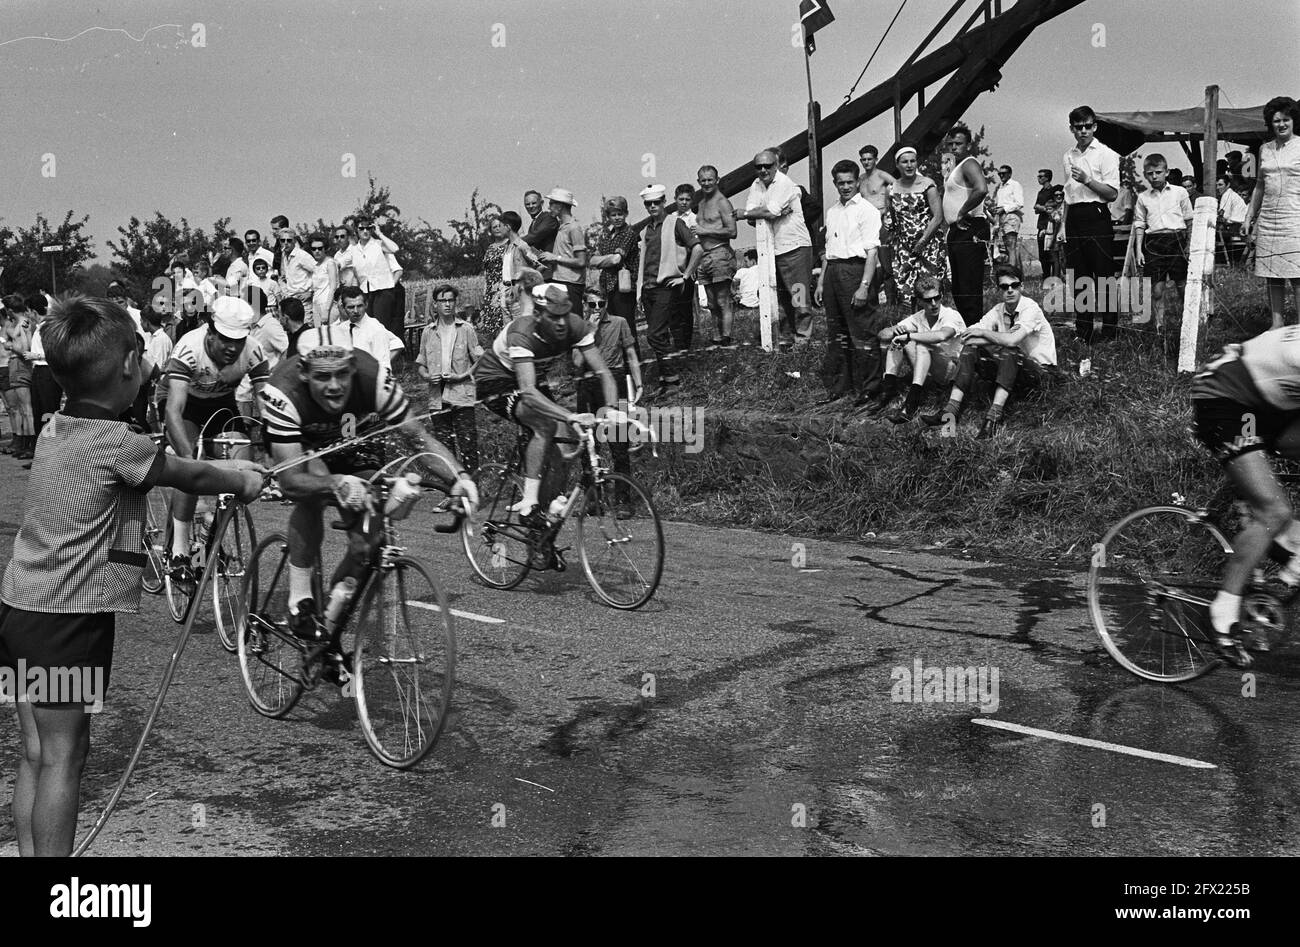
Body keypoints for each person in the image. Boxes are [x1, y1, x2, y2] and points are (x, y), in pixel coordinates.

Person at [0, 296, 262, 857]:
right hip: (66, 623)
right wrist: (241, 480)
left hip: (19, 610)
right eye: (140, 357)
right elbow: (185, 474)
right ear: (127, 366)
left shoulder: (57, 425)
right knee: (66, 756)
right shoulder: (119, 443)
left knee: (37, 753)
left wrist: (233, 469)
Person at [259, 335, 476, 640]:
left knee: (366, 542)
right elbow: (291, 482)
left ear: (352, 368)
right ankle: (299, 601)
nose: (334, 385)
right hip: (302, 442)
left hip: (351, 437)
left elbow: (419, 438)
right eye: (322, 376)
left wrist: (459, 479)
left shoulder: (373, 379)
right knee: (310, 498)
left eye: (341, 374)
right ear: (305, 373)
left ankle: (328, 633)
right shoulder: (282, 390)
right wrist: (335, 483)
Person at [472, 283, 619, 520]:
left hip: (533, 375)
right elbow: (528, 392)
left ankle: (550, 500)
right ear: (538, 315)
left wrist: (612, 408)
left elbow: (604, 373)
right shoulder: (522, 332)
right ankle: (530, 501)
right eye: (553, 317)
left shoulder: (575, 326)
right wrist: (570, 415)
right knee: (545, 425)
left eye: (564, 315)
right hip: (494, 379)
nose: (561, 323)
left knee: (568, 437)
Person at [162, 296, 270, 582]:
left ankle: (211, 537)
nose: (232, 348)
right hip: (185, 406)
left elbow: (265, 403)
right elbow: (174, 410)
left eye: (239, 341)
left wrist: (273, 437)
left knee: (242, 464)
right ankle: (180, 552)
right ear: (210, 331)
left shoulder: (254, 350)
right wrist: (189, 461)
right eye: (225, 340)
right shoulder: (189, 346)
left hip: (221, 404)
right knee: (191, 467)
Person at [923, 264, 1058, 438]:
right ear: (999, 289)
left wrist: (984, 333)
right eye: (1004, 287)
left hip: (1040, 372)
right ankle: (950, 411)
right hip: (1011, 370)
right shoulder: (998, 310)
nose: (1009, 290)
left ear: (1021, 287)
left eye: (1014, 285)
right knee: (971, 347)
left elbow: (1012, 340)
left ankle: (993, 417)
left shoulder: (1030, 308)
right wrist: (984, 336)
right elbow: (967, 336)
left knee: (1009, 349)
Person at [815, 159, 881, 406]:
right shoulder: (832, 211)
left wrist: (864, 286)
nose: (845, 187)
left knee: (863, 332)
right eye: (840, 183)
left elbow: (872, 253)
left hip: (857, 271)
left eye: (850, 182)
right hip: (833, 272)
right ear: (835, 183)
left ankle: (870, 388)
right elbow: (829, 252)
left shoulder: (867, 211)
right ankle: (842, 386)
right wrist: (822, 282)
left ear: (858, 182)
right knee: (838, 333)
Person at [736, 148, 815, 350]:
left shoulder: (785, 184)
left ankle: (803, 338)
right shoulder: (756, 185)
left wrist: (747, 213)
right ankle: (789, 334)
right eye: (758, 167)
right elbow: (755, 219)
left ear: (776, 165)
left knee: (799, 295)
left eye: (768, 166)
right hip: (772, 250)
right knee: (783, 296)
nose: (763, 170)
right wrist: (762, 214)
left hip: (795, 247)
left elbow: (766, 212)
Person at [573, 287, 642, 495]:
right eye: (592, 304)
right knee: (589, 442)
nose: (597, 309)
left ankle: (623, 497)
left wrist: (638, 384)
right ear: (585, 305)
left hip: (615, 378)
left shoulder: (619, 322)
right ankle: (593, 497)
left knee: (619, 440)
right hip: (588, 382)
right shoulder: (579, 327)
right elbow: (576, 361)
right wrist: (590, 333)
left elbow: (630, 353)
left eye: (601, 304)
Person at [870, 275, 966, 422]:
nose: (934, 304)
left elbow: (942, 335)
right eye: (928, 300)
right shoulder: (919, 316)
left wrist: (909, 336)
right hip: (930, 369)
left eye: (937, 298)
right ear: (920, 301)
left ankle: (912, 401)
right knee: (898, 340)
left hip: (952, 371)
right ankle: (888, 389)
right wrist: (895, 330)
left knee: (921, 343)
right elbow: (883, 335)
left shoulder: (951, 315)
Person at [1063, 105, 1121, 343]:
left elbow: (1112, 194)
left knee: (1103, 276)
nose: (1084, 131)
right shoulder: (1068, 156)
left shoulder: (1106, 153)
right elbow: (1068, 194)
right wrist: (1061, 226)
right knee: (1079, 277)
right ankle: (1083, 330)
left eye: (1088, 126)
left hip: (1096, 214)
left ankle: (1109, 332)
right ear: (1072, 129)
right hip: (1074, 217)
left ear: (1095, 126)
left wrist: (1088, 180)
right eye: (1079, 127)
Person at [637, 184, 701, 387]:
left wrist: (686, 276)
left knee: (654, 334)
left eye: (657, 202)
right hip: (648, 288)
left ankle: (673, 379)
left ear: (664, 202)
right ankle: (666, 379)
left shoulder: (675, 222)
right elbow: (644, 261)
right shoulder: (647, 229)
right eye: (649, 203)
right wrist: (640, 290)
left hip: (666, 286)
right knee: (660, 335)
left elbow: (698, 249)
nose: (653, 206)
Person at [417, 284, 483, 471]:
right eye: (442, 301)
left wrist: (462, 375)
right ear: (435, 305)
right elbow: (421, 364)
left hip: (462, 394)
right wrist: (428, 376)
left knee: (468, 444)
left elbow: (480, 360)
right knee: (445, 447)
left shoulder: (466, 329)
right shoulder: (428, 332)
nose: (447, 304)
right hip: (437, 398)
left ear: (455, 303)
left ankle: (473, 491)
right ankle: (453, 492)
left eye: (450, 300)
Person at [1248, 96, 1300, 327]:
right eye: (1276, 120)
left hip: (1294, 216)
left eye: (1285, 120)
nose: (1281, 125)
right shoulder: (1265, 149)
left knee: (1297, 274)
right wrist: (1251, 215)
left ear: (1293, 121)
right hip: (1269, 218)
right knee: (1272, 273)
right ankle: (1276, 324)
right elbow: (1260, 184)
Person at [1133, 154, 1193, 331]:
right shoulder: (1143, 197)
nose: (1154, 176)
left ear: (1166, 172)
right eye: (1150, 173)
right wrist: (1139, 250)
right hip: (1154, 243)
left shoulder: (1179, 192)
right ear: (1145, 174)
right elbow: (1139, 223)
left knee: (1182, 285)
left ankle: (1187, 323)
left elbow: (1189, 220)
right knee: (1157, 289)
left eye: (1158, 172)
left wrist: (1189, 246)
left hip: (1176, 241)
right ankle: (1160, 325)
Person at [942, 124, 990, 326]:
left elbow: (982, 189)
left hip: (969, 227)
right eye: (951, 144)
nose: (954, 148)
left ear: (968, 145)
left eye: (959, 144)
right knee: (959, 287)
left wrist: (962, 211)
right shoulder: (956, 167)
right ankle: (967, 330)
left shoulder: (970, 163)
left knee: (969, 286)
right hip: (956, 230)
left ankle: (976, 332)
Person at [887, 144, 947, 302]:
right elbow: (893, 219)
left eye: (912, 161)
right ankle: (911, 324)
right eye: (905, 162)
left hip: (928, 245)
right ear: (897, 165)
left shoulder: (927, 184)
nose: (909, 165)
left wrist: (922, 241)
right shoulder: (891, 189)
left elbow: (938, 216)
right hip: (905, 248)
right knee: (906, 290)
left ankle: (934, 325)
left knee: (931, 289)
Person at [692, 166, 739, 346]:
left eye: (710, 179)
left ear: (717, 180)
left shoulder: (722, 202)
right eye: (703, 180)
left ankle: (726, 338)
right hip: (704, 257)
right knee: (711, 303)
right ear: (699, 182)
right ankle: (716, 337)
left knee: (722, 300)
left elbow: (732, 231)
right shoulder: (702, 204)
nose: (706, 183)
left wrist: (705, 230)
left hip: (720, 253)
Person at [338, 215, 403, 338]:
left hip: (382, 291)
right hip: (366, 292)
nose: (365, 231)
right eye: (361, 228)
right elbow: (339, 263)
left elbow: (395, 248)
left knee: (381, 327)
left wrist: (380, 233)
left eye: (368, 228)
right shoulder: (354, 250)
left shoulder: (378, 244)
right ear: (356, 230)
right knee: (365, 327)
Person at [483, 211, 542, 339]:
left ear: (508, 227)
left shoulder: (522, 246)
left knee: (520, 331)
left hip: (517, 294)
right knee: (508, 333)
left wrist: (524, 287)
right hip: (506, 292)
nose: (499, 228)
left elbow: (539, 267)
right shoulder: (508, 246)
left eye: (502, 225)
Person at [588, 196, 640, 326]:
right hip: (607, 287)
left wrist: (603, 260)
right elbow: (592, 260)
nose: (617, 218)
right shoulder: (606, 236)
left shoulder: (629, 233)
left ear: (626, 214)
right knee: (612, 325)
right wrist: (608, 259)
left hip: (623, 286)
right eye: (613, 215)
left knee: (626, 325)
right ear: (608, 217)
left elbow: (616, 260)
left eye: (620, 214)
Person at [535, 188, 587, 313]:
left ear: (560, 206)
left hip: (571, 284)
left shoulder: (574, 228)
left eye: (552, 203)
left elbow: (581, 261)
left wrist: (555, 258)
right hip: (560, 282)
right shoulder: (562, 227)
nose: (549, 207)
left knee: (573, 325)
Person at [1, 296, 35, 458]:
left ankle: (29, 444)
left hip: (21, 366)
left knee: (26, 408)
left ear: (10, 310)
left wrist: (10, 346)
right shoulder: (19, 323)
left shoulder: (23, 322)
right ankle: (24, 443)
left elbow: (25, 349)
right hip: (15, 366)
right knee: (21, 409)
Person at [993, 165, 1025, 270]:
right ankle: (1014, 271)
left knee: (1011, 246)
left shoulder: (1015, 185)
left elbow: (1020, 203)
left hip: (1011, 216)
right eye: (999, 174)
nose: (1001, 175)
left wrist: (1004, 208)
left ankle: (1013, 274)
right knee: (1006, 247)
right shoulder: (1000, 187)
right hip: (1001, 218)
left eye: (1004, 173)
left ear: (1009, 174)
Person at [1216, 174, 1249, 266]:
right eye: (1216, 185)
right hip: (1236, 225)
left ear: (1228, 185)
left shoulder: (1227, 195)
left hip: (1238, 227)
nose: (1218, 187)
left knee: (1212, 234)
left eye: (1220, 185)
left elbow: (1223, 217)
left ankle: (1222, 262)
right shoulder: (1228, 194)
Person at [307, 233, 339, 326]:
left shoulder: (330, 263)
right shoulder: (315, 266)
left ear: (325, 248)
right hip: (316, 304)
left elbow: (333, 287)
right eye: (314, 249)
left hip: (327, 304)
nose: (317, 251)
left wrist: (326, 310)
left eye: (320, 248)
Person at [732, 248, 761, 341]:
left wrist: (735, 294)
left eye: (746, 261)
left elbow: (732, 284)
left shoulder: (742, 271)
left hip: (744, 304)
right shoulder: (764, 270)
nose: (745, 264)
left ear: (753, 261)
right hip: (759, 303)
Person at [1033, 169, 1056, 278]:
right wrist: (1041, 208)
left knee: (1051, 253)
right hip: (1041, 224)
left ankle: (1053, 276)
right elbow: (1035, 209)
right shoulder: (1040, 192)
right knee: (1042, 254)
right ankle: (1046, 276)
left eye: (1041, 176)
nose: (1039, 178)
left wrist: (1041, 207)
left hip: (1050, 225)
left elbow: (1052, 207)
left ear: (1047, 178)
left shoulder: (1052, 191)